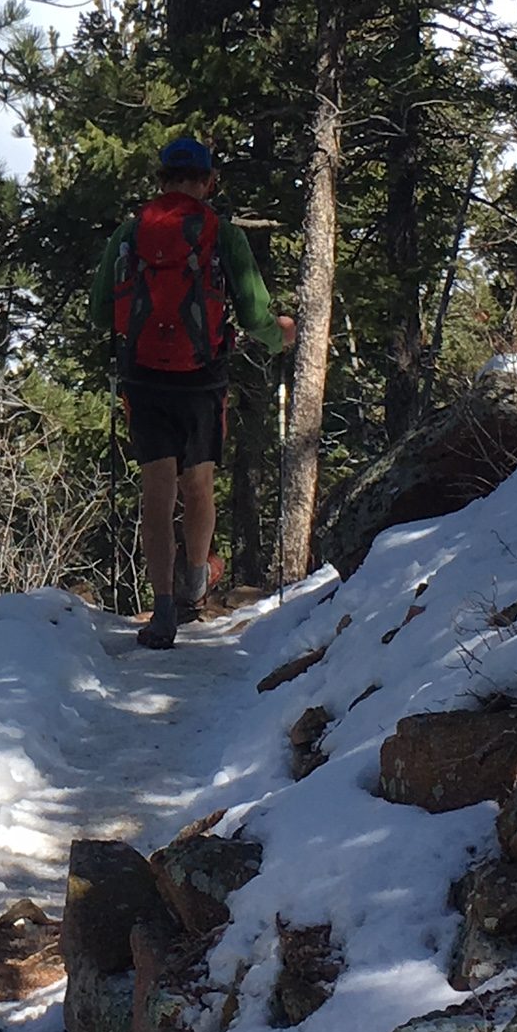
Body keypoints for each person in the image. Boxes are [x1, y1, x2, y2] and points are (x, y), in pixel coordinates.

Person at [89, 136, 296, 650]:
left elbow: (99, 311)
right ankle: (195, 587)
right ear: (208, 181)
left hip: (144, 378)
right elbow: (254, 315)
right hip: (201, 379)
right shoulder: (221, 234)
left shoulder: (129, 233)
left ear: (162, 180)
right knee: (198, 484)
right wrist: (283, 334)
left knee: (157, 493)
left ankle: (161, 613)